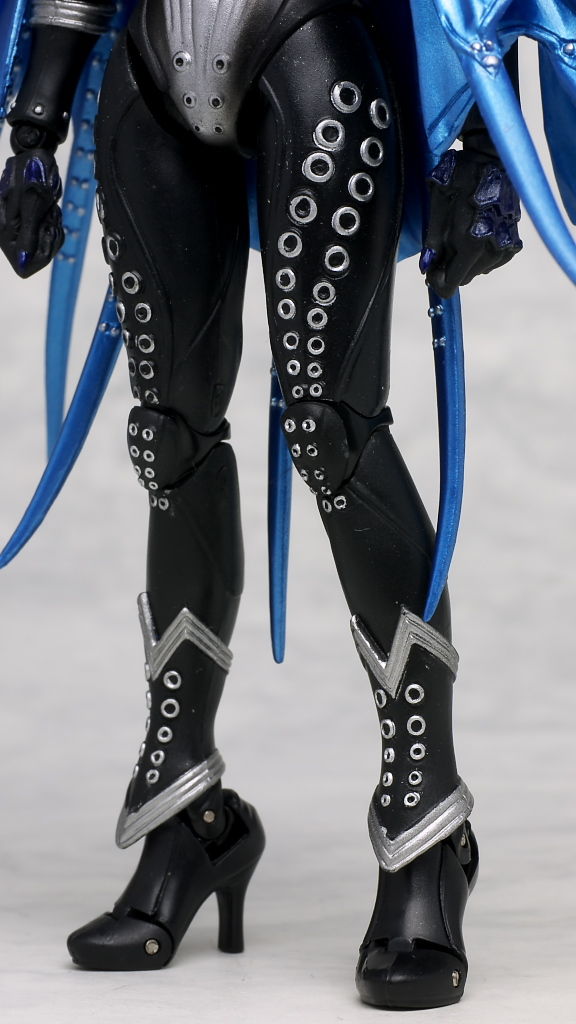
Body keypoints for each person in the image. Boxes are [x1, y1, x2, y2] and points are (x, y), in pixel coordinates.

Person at [0, 0, 537, 1011]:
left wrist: (482, 135)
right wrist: (37, 116)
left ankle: (427, 823)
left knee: (335, 433)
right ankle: (187, 817)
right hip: (148, 68)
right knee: (169, 438)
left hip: (311, 54)